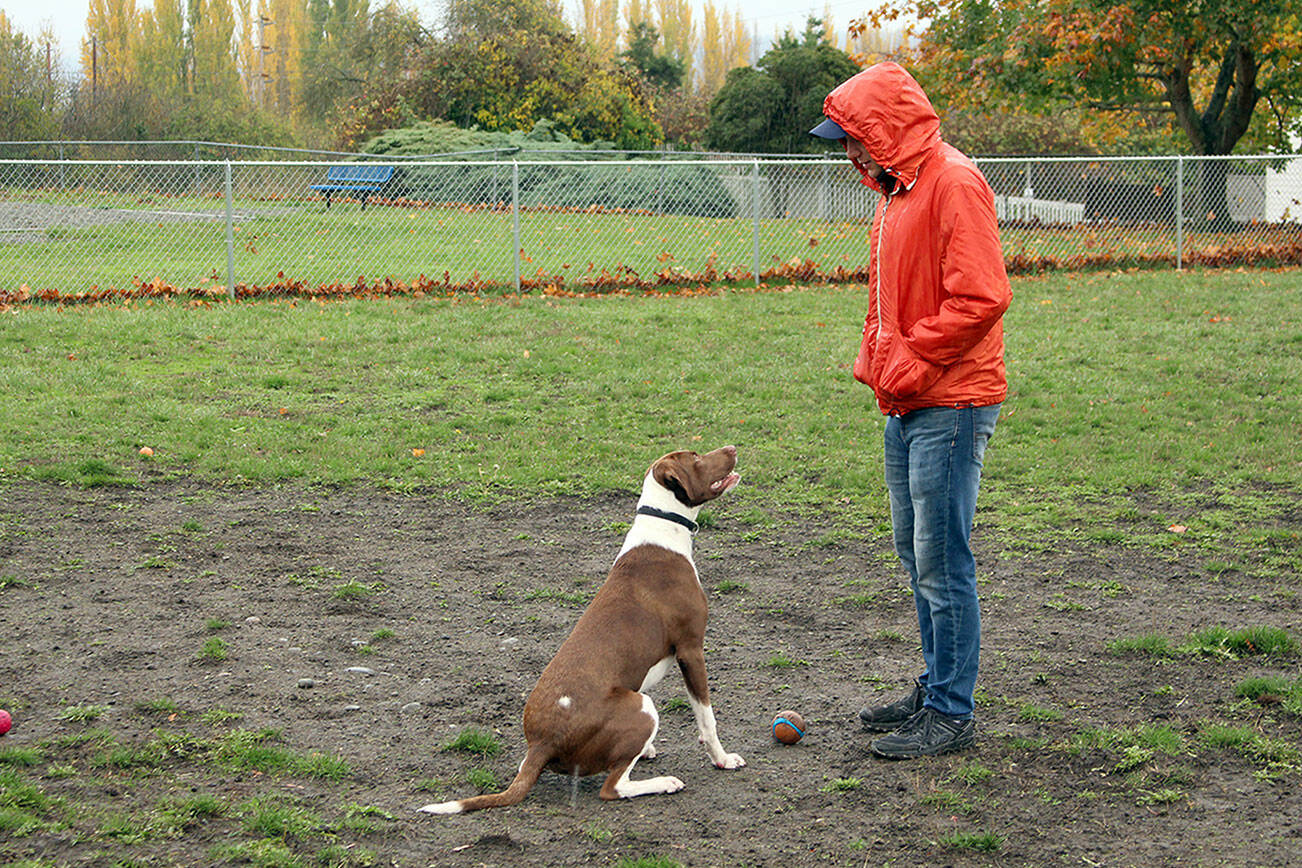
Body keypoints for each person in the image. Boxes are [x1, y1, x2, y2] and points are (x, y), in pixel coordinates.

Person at [810, 62, 1012, 759]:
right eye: (844, 141)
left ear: (886, 128)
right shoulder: (899, 191)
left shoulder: (953, 183)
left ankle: (952, 713)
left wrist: (909, 360)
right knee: (915, 551)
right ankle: (933, 690)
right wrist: (879, 359)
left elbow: (982, 298)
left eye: (854, 137)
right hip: (908, 398)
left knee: (941, 559)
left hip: (951, 402)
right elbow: (889, 298)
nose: (849, 152)